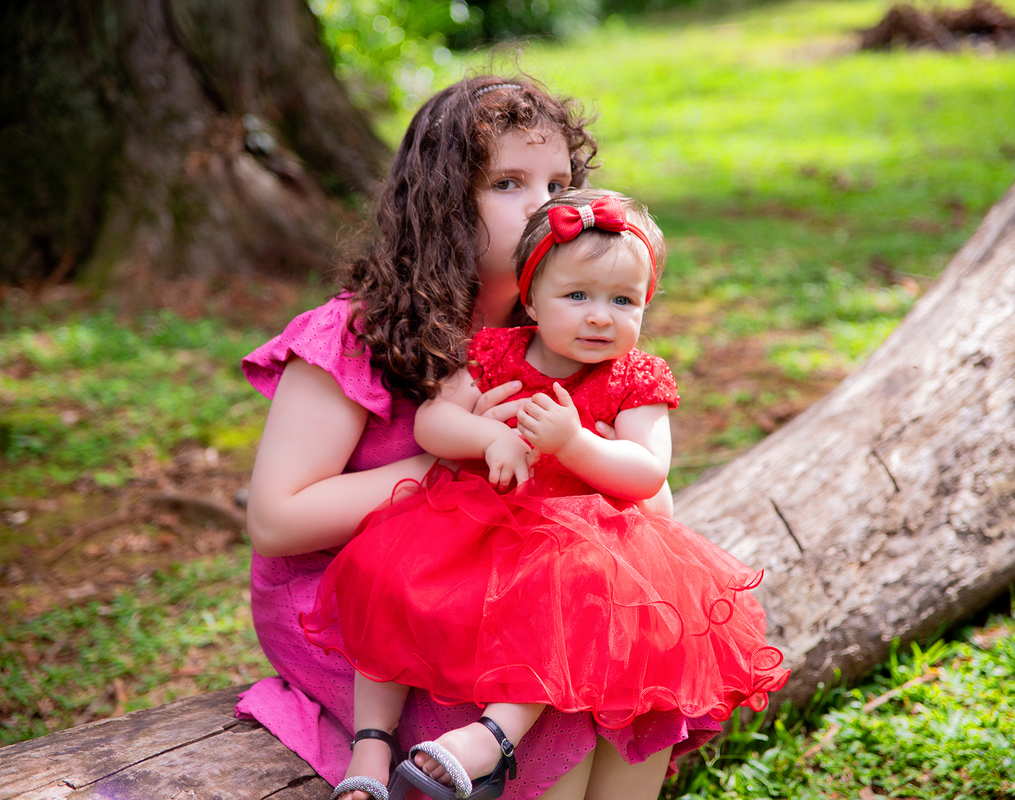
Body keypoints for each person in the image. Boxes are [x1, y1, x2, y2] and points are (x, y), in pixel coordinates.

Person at [237, 77, 725, 800]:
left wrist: (590, 471)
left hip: (519, 576)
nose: (543, 203)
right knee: (556, 714)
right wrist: (447, 463)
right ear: (443, 203)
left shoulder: (568, 335)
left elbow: (649, 500)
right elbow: (276, 520)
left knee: (635, 660)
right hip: (365, 599)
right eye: (507, 182)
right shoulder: (358, 332)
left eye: (559, 181)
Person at [302, 190, 790, 800]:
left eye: (623, 301)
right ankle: (371, 742)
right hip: (482, 526)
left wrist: (576, 445)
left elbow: (647, 472)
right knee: (387, 573)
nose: (599, 316)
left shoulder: (635, 377)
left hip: (587, 546)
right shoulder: (493, 352)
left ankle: (491, 736)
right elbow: (434, 424)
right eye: (577, 295)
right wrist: (487, 439)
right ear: (531, 299)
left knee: (566, 598)